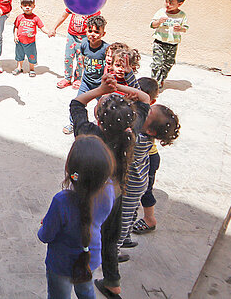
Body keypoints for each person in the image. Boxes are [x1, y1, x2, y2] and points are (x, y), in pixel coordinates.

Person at [70, 74, 136, 299]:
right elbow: (145, 100)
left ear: (98, 119)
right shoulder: (128, 135)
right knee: (109, 239)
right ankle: (113, 282)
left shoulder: (88, 132)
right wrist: (120, 89)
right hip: (115, 195)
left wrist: (100, 89)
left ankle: (80, 269)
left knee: (83, 234)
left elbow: (76, 103)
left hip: (89, 196)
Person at [38, 135, 116, 299]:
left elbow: (45, 236)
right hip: (91, 257)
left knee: (60, 295)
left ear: (69, 169)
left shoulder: (61, 201)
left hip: (61, 265)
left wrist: (44, 225)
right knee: (86, 290)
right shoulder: (109, 189)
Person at [117, 86, 180, 256]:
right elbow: (143, 98)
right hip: (138, 184)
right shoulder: (146, 134)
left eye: (147, 113)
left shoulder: (138, 140)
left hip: (131, 187)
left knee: (123, 218)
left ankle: (114, 249)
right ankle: (126, 238)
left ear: (150, 130)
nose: (142, 112)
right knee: (130, 213)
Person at [64, 16, 109, 135]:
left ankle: (103, 125)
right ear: (86, 31)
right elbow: (83, 59)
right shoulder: (84, 44)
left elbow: (109, 65)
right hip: (86, 82)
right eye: (90, 31)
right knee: (78, 102)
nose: (92, 34)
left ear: (103, 33)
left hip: (100, 85)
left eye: (96, 32)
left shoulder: (106, 48)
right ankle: (73, 123)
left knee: (104, 107)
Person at [133, 78, 162, 235]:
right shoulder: (140, 110)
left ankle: (150, 219)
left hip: (149, 159)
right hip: (142, 157)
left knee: (146, 190)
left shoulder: (148, 116)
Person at [51, 8, 101, 89]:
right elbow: (63, 15)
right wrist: (54, 28)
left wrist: (95, 37)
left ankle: (78, 79)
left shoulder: (93, 8)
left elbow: (97, 23)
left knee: (81, 59)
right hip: (72, 35)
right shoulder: (73, 4)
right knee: (68, 57)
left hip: (85, 37)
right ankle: (67, 78)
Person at [150, 0, 189, 88]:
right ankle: (154, 85)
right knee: (157, 64)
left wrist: (180, 28)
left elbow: (185, 28)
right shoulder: (161, 12)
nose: (168, 5)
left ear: (179, 4)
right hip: (159, 42)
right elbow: (152, 25)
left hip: (173, 44)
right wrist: (158, 22)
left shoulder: (182, 15)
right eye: (166, 2)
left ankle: (161, 78)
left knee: (168, 64)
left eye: (171, 3)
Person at [11, 0, 52, 77]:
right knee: (19, 56)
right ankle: (19, 68)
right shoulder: (20, 17)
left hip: (30, 42)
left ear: (33, 6)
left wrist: (48, 32)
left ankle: (32, 69)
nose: (27, 7)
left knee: (32, 56)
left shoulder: (35, 18)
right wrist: (15, 36)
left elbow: (42, 27)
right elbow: (16, 27)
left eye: (29, 5)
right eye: (25, 5)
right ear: (21, 6)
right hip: (20, 42)